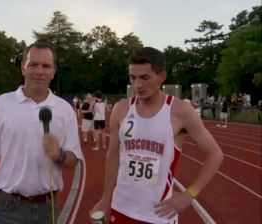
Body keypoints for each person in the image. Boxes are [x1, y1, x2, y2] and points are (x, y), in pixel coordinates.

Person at [90, 47, 223, 224]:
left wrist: (190, 194)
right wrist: (106, 199)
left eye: (145, 78)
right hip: (121, 207)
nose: (137, 85)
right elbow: (113, 155)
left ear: (162, 76)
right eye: (133, 77)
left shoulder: (180, 111)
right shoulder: (121, 109)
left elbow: (215, 154)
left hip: (158, 215)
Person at [0, 42, 83, 224]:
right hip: (8, 207)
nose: (39, 71)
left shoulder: (65, 110)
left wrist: (59, 155)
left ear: (53, 71)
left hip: (47, 207)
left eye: (46, 66)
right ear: (23, 67)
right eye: (33, 64)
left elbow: (73, 161)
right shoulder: (1, 105)